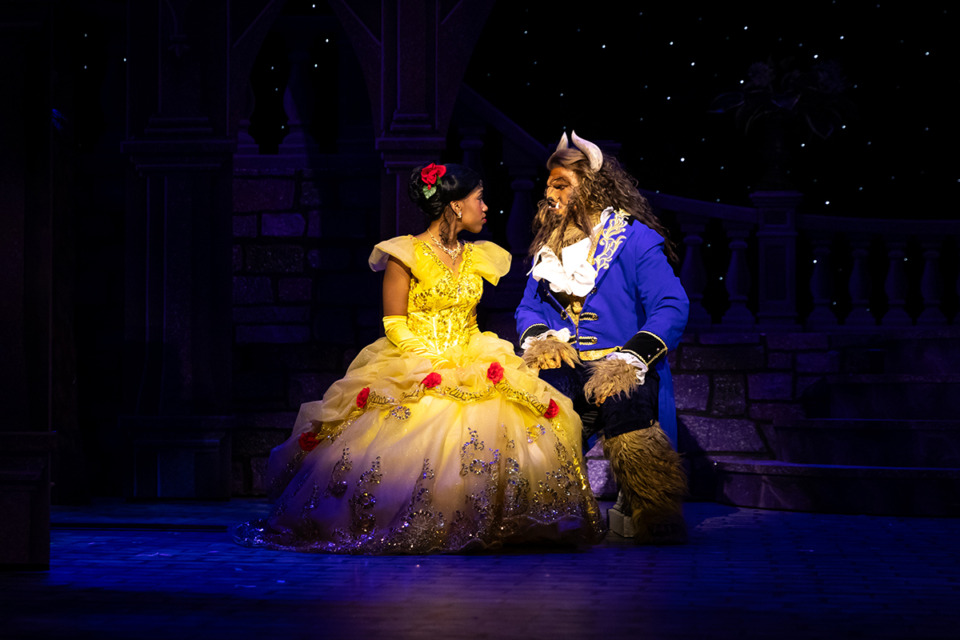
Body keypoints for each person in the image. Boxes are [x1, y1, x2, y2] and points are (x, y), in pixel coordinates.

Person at [235, 163, 604, 554]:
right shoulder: (405, 254)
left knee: (518, 416)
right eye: (479, 199)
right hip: (418, 359)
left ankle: (498, 522)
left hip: (469, 352)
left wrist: (479, 356)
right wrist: (429, 359)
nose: (486, 208)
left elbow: (471, 320)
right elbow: (394, 323)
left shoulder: (476, 256)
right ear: (456, 206)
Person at [515, 131, 690, 544]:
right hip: (568, 361)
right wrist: (542, 339)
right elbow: (528, 307)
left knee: (626, 408)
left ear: (589, 187)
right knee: (537, 407)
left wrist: (631, 357)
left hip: (618, 362)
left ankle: (649, 505)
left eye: (560, 185)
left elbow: (671, 304)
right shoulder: (550, 248)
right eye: (548, 185)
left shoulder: (634, 240)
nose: (549, 194)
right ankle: (546, 507)